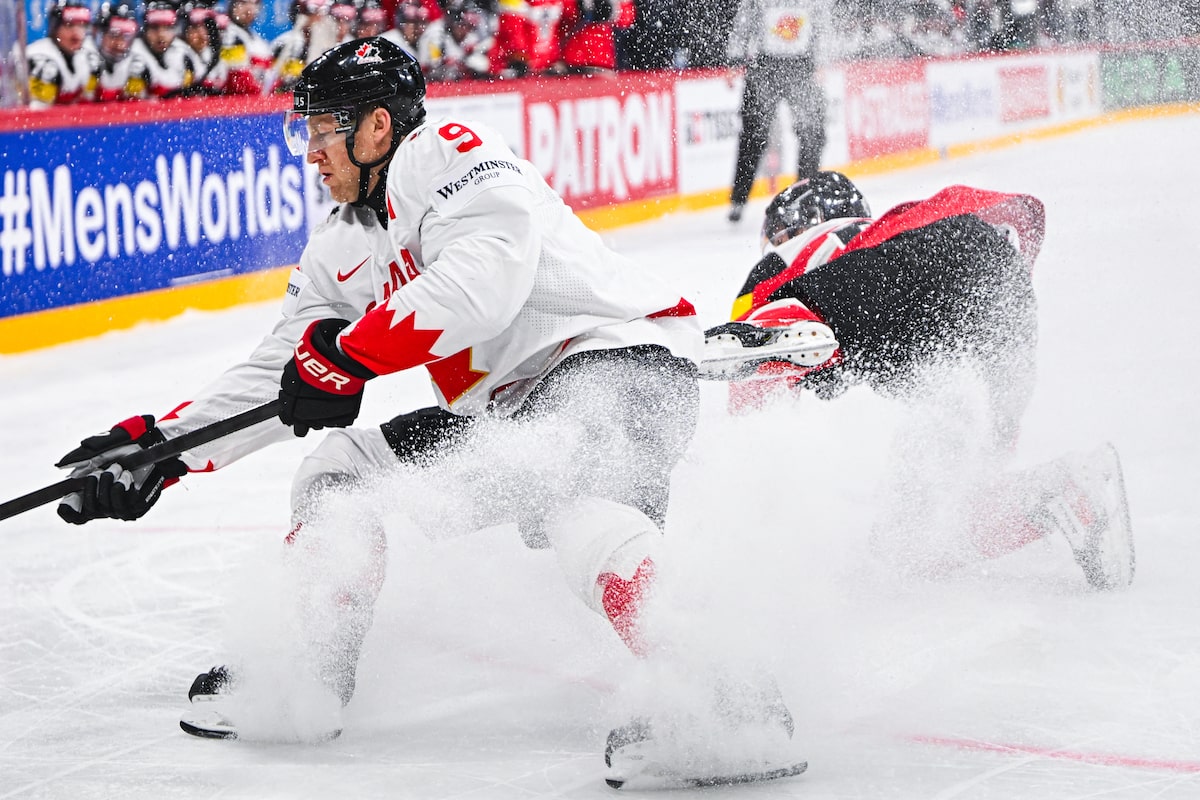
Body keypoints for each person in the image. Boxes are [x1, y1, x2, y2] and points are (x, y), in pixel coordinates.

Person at [53, 36, 802, 789]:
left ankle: (729, 700)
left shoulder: (449, 151)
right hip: (511, 414)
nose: (311, 151)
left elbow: (484, 284)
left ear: (377, 126)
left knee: (581, 501)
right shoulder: (343, 242)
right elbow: (284, 371)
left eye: (324, 130)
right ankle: (309, 677)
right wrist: (162, 451)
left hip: (619, 363)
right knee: (340, 474)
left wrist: (349, 354)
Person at [701, 171, 1135, 590]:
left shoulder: (799, 255)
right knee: (915, 530)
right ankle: (1070, 488)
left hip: (903, 272)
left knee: (773, 328)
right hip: (997, 285)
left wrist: (738, 476)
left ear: (789, 228)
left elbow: (751, 381)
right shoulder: (884, 231)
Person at [725, 0, 826, 223]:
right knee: (753, 134)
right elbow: (743, 23)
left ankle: (805, 197)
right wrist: (734, 60)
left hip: (802, 66)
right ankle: (739, 198)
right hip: (764, 65)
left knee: (812, 133)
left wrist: (821, 60)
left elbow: (821, 22)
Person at [27, 0, 99, 108]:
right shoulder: (42, 61)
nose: (77, 33)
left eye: (82, 25)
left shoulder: (89, 58)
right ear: (54, 29)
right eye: (69, 25)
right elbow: (37, 116)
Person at [126, 0, 202, 98]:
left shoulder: (183, 52)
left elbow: (194, 93)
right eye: (154, 27)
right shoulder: (134, 55)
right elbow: (133, 102)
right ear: (145, 30)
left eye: (167, 28)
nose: (161, 35)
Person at [221, 0, 273, 94]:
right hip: (236, 100)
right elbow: (237, 80)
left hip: (254, 98)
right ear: (232, 5)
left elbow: (269, 75)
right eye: (243, 3)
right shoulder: (229, 35)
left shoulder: (256, 37)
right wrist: (264, 92)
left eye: (254, 3)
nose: (249, 8)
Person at [92, 1, 138, 101]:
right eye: (114, 36)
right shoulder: (85, 59)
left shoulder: (137, 62)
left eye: (126, 37)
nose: (120, 44)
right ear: (99, 35)